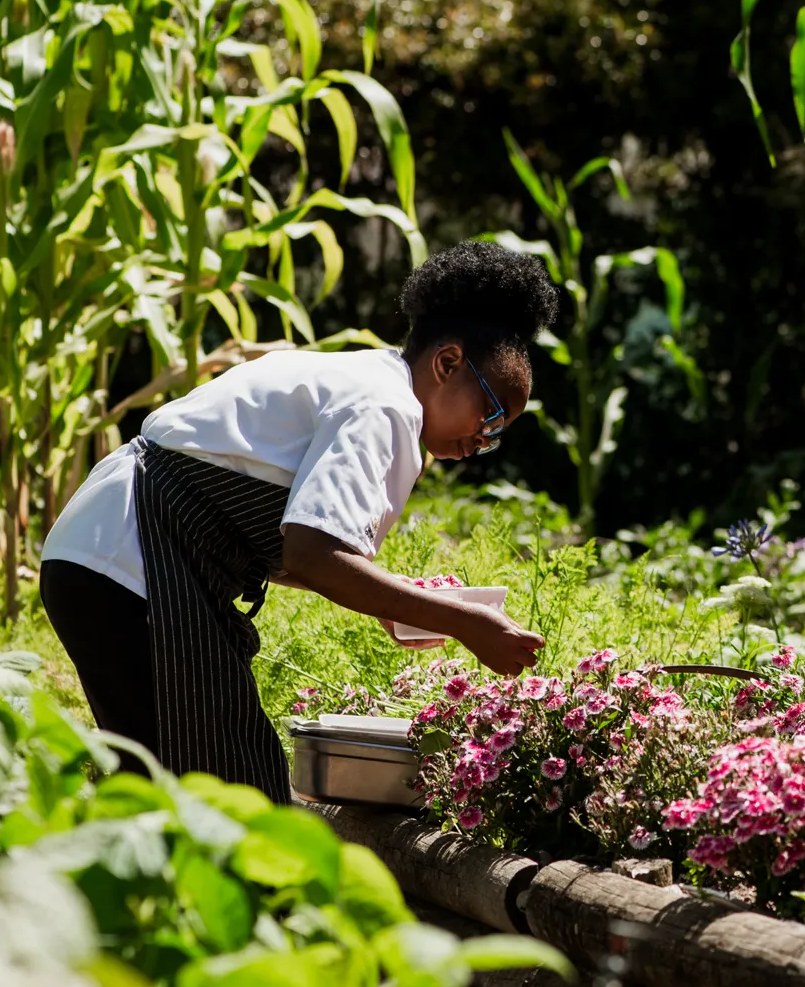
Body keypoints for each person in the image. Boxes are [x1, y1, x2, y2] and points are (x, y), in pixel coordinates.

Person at [39, 243, 552, 803]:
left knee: (184, 788)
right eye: (492, 416)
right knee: (225, 797)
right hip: (130, 563)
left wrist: (396, 601)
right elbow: (314, 554)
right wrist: (467, 624)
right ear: (447, 364)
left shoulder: (366, 378)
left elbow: (293, 543)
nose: (484, 440)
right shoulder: (384, 406)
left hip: (108, 556)